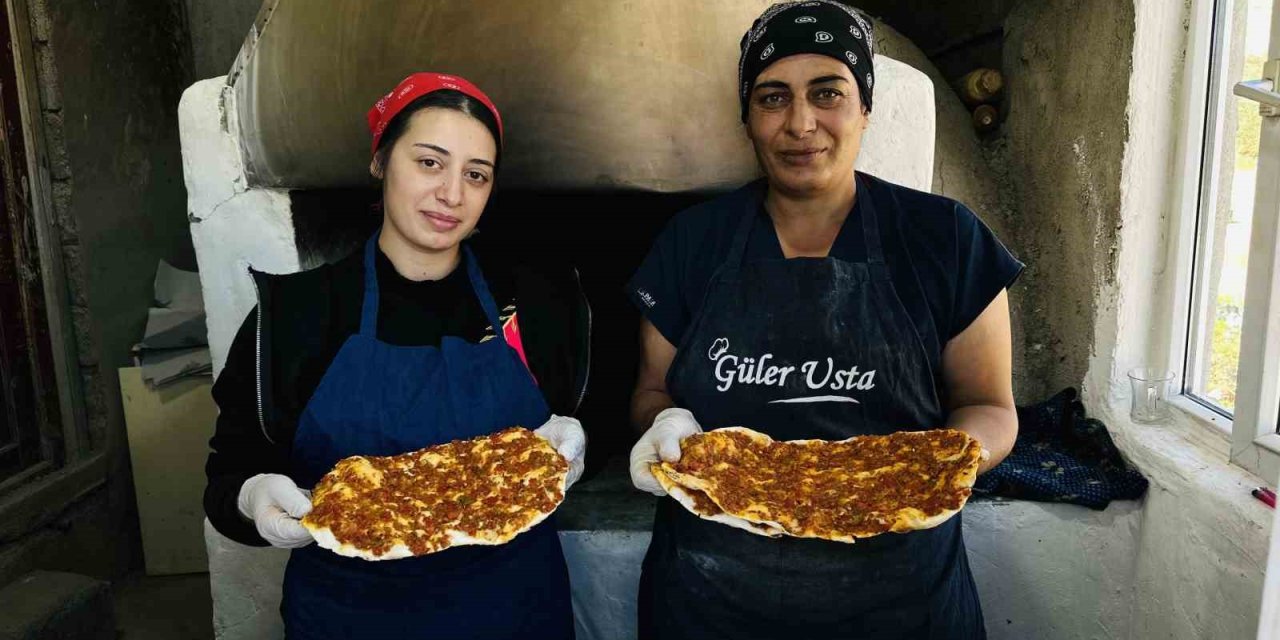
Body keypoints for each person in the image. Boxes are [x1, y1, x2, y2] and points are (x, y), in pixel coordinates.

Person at [625, 3, 1024, 638]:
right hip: (712, 593)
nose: (801, 123)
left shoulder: (946, 239)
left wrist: (916, 476)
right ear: (748, 120)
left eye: (828, 93)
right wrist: (664, 422)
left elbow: (989, 406)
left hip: (901, 595)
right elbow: (653, 389)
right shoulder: (691, 244)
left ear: (865, 108)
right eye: (773, 98)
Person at [203, 72, 589, 639]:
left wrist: (577, 439)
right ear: (381, 162)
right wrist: (254, 496)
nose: (452, 195)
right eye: (430, 163)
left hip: (515, 608)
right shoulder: (297, 314)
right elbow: (227, 475)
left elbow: (593, 424)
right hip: (349, 615)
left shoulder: (538, 306)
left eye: (475, 175)